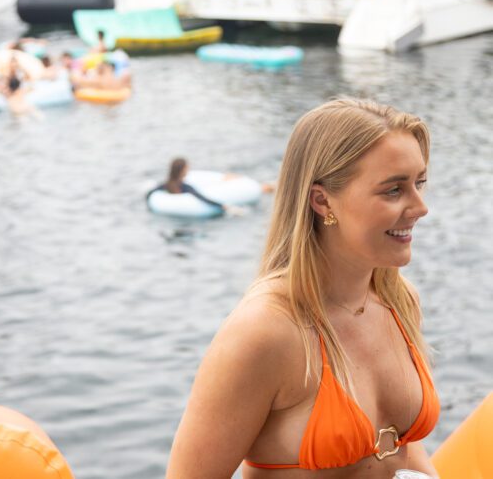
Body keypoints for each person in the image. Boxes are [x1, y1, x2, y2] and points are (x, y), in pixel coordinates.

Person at [166, 98, 440, 479]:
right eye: (394, 190)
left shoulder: (400, 300)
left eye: (419, 183)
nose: (421, 206)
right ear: (322, 200)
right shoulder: (266, 331)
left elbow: (399, 443)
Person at [147, 158, 242, 216]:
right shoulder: (185, 187)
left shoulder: (165, 185)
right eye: (187, 168)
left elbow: (150, 192)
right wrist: (223, 206)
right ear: (182, 171)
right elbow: (202, 198)